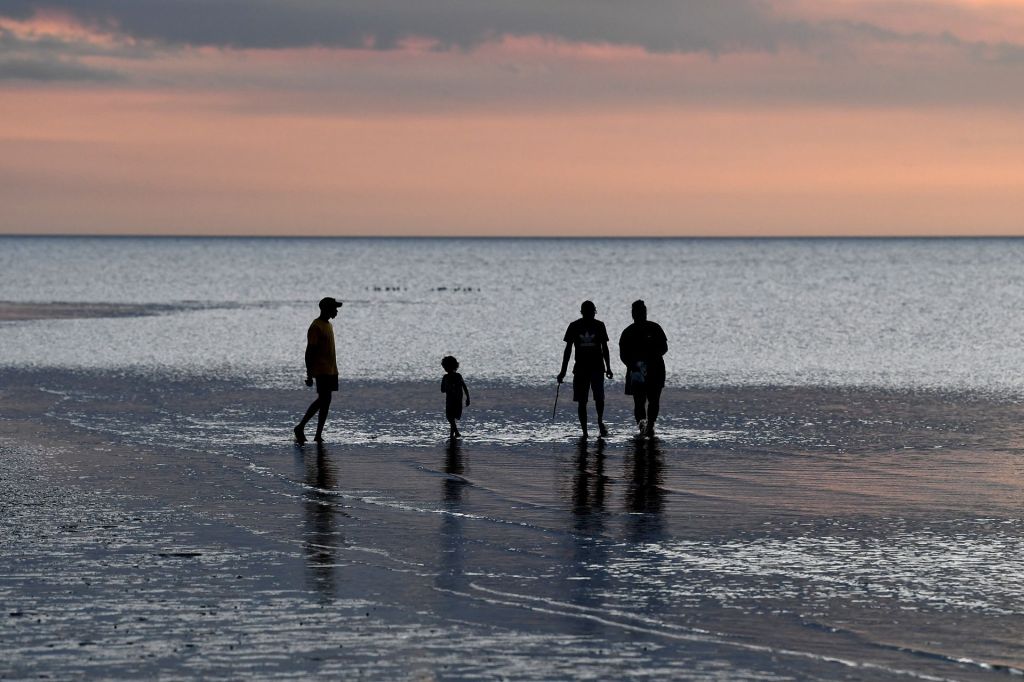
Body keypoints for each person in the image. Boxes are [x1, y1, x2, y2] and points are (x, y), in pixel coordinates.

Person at [557, 300, 613, 438]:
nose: (591, 314)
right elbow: (568, 350)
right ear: (584, 312)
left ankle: (599, 422)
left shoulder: (599, 325)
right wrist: (563, 371)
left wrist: (609, 367)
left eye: (592, 312)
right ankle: (585, 432)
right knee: (583, 401)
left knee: (598, 398)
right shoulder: (574, 326)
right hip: (582, 369)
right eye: (589, 312)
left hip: (597, 368)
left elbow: (604, 348)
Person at [294, 297, 342, 444]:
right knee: (323, 399)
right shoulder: (316, 327)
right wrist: (309, 374)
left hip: (331, 369)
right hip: (322, 370)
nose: (336, 311)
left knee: (326, 401)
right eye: (334, 308)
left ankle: (318, 435)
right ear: (326, 309)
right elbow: (309, 352)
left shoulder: (329, 325)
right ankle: (300, 427)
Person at [618, 299, 668, 438]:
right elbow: (623, 355)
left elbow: (664, 348)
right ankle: (642, 428)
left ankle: (650, 426)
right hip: (636, 372)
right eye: (638, 312)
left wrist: (651, 359)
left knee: (654, 400)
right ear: (633, 314)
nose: (642, 314)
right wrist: (633, 365)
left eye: (643, 312)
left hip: (656, 369)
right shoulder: (628, 332)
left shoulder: (655, 328)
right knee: (639, 401)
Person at [441, 355, 470, 439]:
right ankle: (452, 435)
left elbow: (464, 387)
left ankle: (456, 433)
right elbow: (442, 390)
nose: (445, 369)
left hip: (454, 401)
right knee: (451, 418)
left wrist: (468, 398)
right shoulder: (450, 377)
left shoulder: (453, 377)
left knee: (450, 417)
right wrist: (449, 387)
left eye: (446, 367)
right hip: (453, 400)